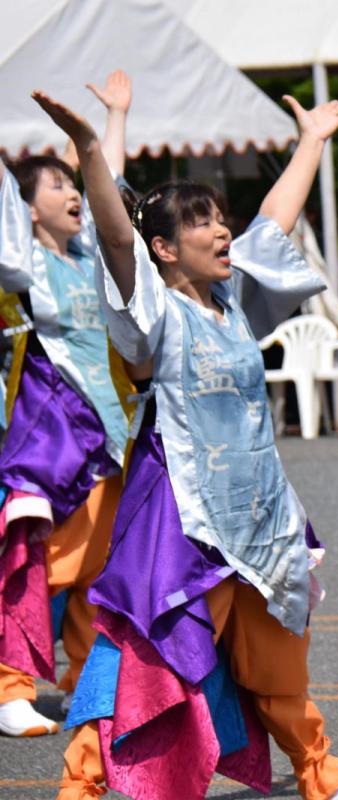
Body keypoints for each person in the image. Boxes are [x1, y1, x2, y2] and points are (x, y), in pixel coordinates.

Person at [33, 88, 338, 800]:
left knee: (278, 661)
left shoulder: (234, 300)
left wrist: (310, 139)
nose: (223, 233)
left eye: (222, 220)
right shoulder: (151, 314)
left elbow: (276, 221)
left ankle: (320, 774)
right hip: (180, 517)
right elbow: (116, 237)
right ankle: (83, 785)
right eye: (203, 224)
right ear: (164, 248)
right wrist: (95, 149)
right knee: (147, 660)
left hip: (259, 511)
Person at [0, 71, 134, 739]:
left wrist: (114, 117)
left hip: (106, 432)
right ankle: (10, 687)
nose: (73, 193)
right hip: (48, 440)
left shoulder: (90, 258)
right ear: (24, 209)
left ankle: (85, 682)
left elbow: (106, 182)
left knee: (96, 568)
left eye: (70, 183)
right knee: (35, 566)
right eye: (56, 185)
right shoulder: (22, 264)